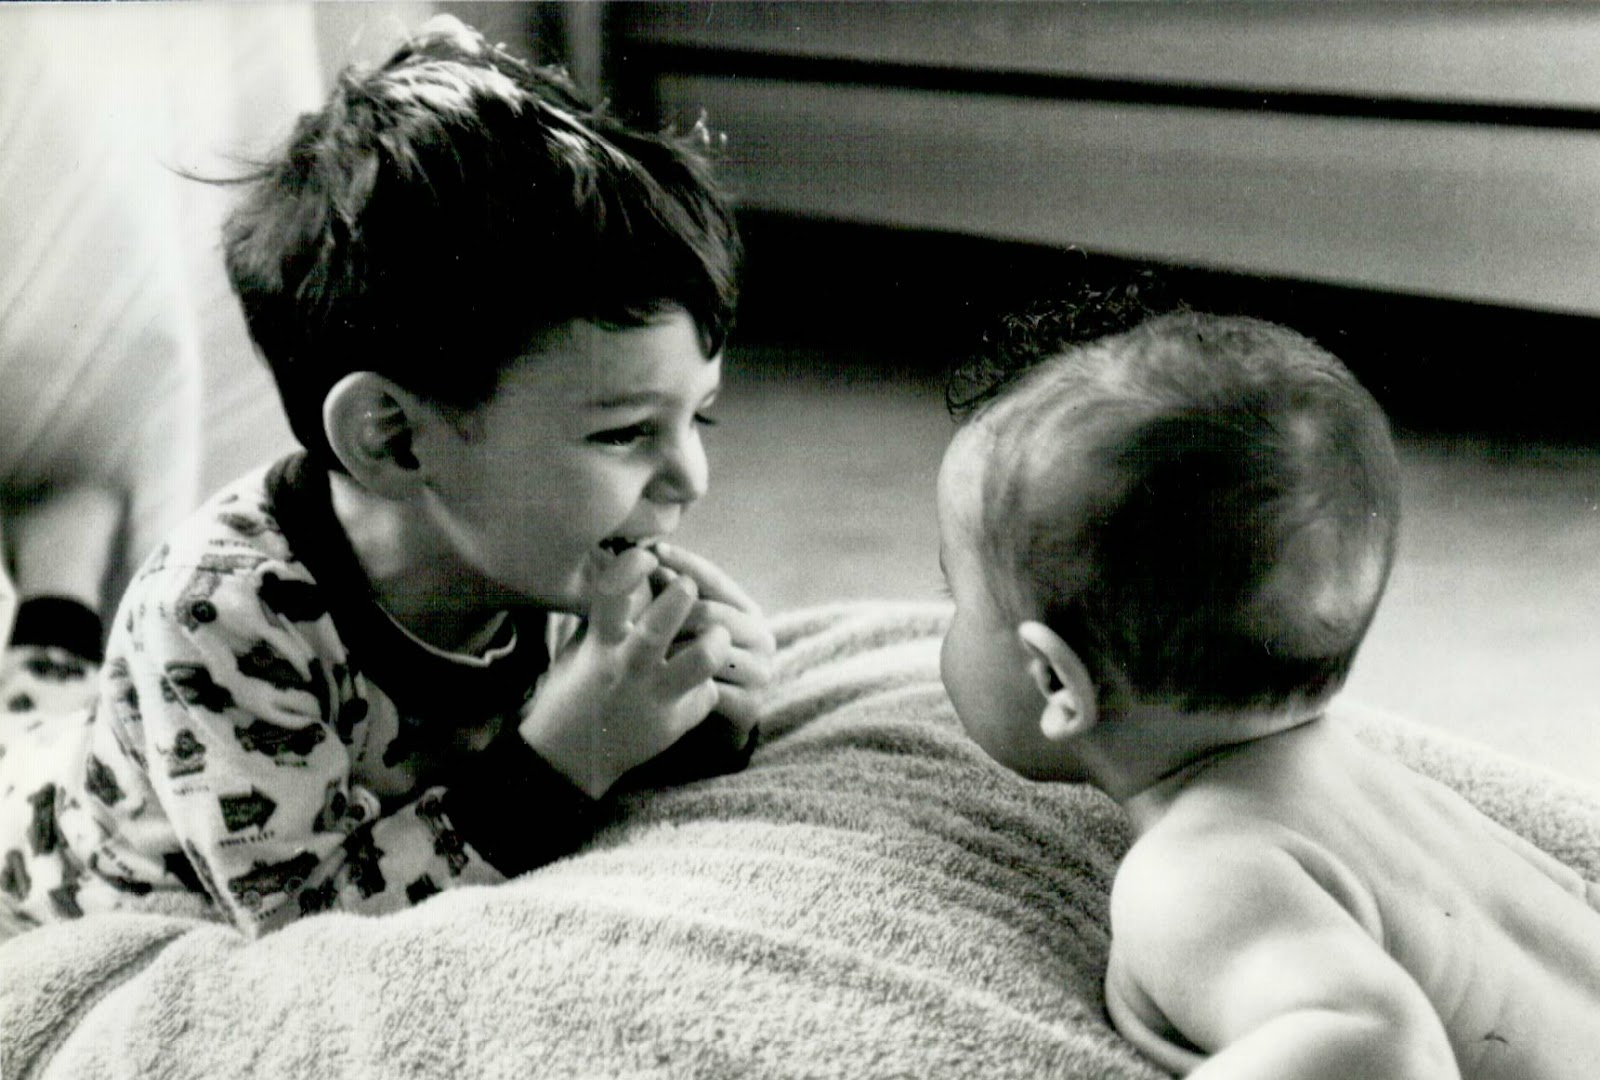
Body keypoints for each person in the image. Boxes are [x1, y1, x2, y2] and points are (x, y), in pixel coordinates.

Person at [0, 16, 774, 938]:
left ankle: (60, 569)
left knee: (56, 693)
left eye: (698, 417)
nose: (690, 477)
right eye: (625, 434)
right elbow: (307, 926)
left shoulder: (540, 546)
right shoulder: (216, 615)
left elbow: (607, 740)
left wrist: (701, 705)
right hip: (48, 855)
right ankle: (55, 588)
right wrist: (566, 756)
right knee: (26, 729)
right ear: (397, 441)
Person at [935, 308, 1600, 1078]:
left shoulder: (1192, 876)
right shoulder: (1380, 792)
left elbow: (1380, 1046)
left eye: (953, 596)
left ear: (1055, 681)